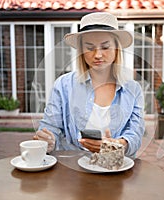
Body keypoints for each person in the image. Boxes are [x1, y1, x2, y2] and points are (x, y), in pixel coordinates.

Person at [33, 12, 145, 157]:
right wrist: (48, 140)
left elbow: (135, 131)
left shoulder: (133, 89)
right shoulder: (63, 85)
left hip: (115, 168)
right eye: (90, 48)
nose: (98, 55)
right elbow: (50, 127)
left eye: (105, 47)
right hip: (72, 168)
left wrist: (121, 144)